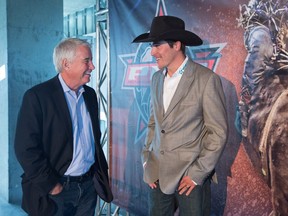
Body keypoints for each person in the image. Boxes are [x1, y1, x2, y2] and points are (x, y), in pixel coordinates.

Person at [132, 16, 228, 216]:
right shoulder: (156, 79)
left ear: (176, 45)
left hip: (190, 179)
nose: (152, 52)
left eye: (157, 45)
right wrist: (146, 161)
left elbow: (218, 133)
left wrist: (197, 174)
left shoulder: (206, 80)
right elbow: (153, 123)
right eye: (152, 46)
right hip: (156, 175)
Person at [14, 38, 113, 216]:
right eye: (87, 61)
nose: (92, 66)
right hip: (55, 192)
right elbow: (25, 148)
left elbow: (94, 141)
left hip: (88, 188)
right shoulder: (37, 96)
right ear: (66, 64)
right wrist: (52, 185)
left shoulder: (89, 95)